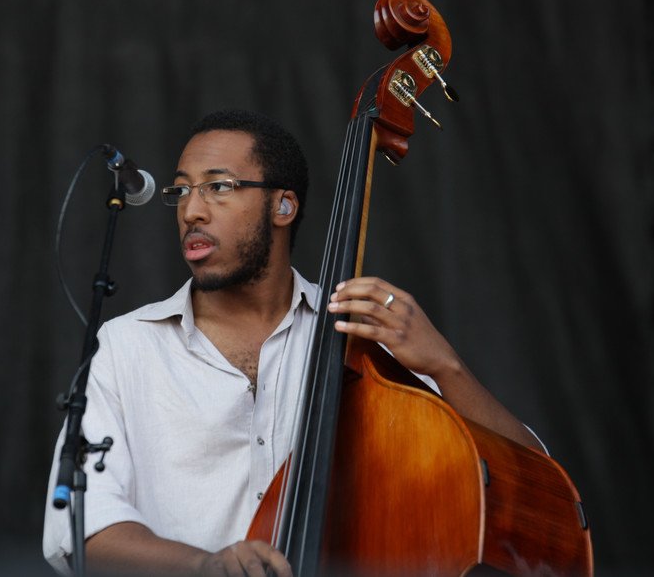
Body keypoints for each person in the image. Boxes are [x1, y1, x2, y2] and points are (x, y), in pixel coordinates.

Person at [43, 110, 544, 576]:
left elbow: (535, 488)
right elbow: (81, 528)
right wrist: (206, 566)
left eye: (219, 186)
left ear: (283, 206)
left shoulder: (359, 334)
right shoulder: (126, 346)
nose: (192, 210)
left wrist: (446, 367)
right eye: (182, 191)